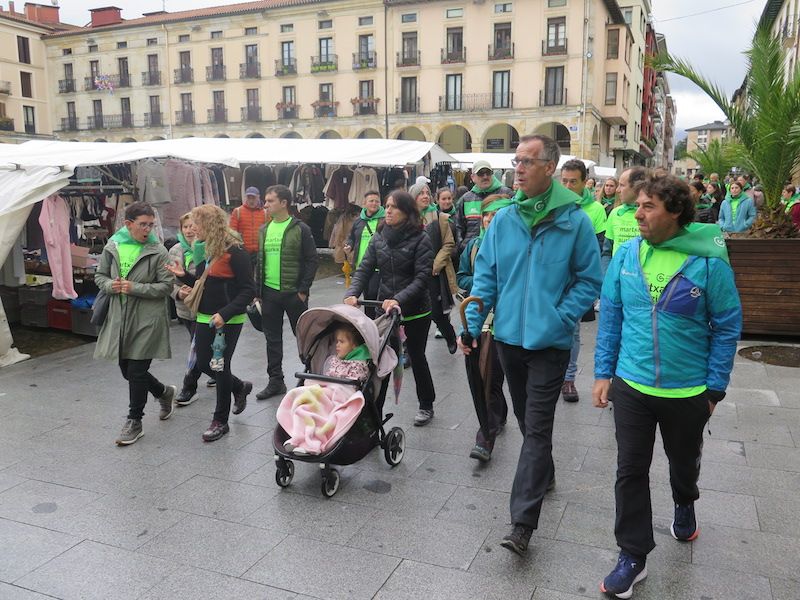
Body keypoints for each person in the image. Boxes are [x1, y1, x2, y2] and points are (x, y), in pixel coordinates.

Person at [593, 174, 742, 599]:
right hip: (632, 386)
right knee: (629, 471)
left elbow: (728, 325)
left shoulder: (707, 262)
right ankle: (632, 555)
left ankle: (684, 501)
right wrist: (604, 373)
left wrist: (714, 389)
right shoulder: (626, 255)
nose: (636, 213)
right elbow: (612, 321)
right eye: (637, 205)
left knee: (682, 464)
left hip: (687, 391)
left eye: (648, 207)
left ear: (674, 212)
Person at [460, 134, 602, 555]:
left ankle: (522, 524)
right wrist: (472, 324)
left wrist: (559, 316)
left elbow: (589, 281)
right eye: (515, 161)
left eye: (527, 161)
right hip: (507, 339)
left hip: (550, 343)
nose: (517, 168)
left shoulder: (575, 221)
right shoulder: (503, 219)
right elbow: (485, 277)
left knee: (537, 427)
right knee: (525, 420)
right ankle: (546, 471)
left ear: (549, 167)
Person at [344, 191, 436, 426]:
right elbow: (364, 268)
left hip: (415, 310)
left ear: (407, 211)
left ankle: (426, 404)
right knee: (382, 360)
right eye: (387, 206)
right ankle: (374, 411)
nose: (389, 210)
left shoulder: (421, 238)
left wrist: (399, 299)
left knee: (416, 356)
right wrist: (351, 293)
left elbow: (422, 277)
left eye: (394, 207)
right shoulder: (379, 237)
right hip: (386, 311)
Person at [166, 205, 256, 441]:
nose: (192, 228)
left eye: (196, 223)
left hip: (227, 319)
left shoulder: (235, 251)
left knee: (218, 366)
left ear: (209, 224)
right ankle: (238, 387)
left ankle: (220, 421)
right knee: (204, 363)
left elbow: (249, 290)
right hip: (205, 315)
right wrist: (183, 275)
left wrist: (225, 314)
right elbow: (205, 281)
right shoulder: (209, 248)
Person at [94, 201, 176, 446]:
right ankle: (163, 392)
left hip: (148, 319)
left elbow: (166, 286)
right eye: (142, 224)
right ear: (128, 224)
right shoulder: (113, 246)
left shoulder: (158, 250)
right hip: (119, 318)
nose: (147, 229)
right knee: (126, 371)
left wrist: (135, 288)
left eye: (151, 224)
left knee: (137, 371)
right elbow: (100, 276)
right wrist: (111, 285)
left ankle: (135, 421)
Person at [457, 194, 512, 462]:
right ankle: (485, 434)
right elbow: (462, 277)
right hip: (481, 316)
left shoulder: (516, 247)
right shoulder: (474, 245)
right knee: (485, 375)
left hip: (510, 322)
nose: (491, 219)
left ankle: (498, 416)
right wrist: (480, 284)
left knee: (495, 377)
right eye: (487, 214)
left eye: (497, 214)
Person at [254, 184, 319, 400]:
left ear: (284, 203)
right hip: (269, 293)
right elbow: (259, 262)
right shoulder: (264, 230)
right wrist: (258, 291)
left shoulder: (301, 228)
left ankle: (313, 378)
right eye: (266, 200)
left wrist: (302, 290)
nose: (266, 204)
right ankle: (276, 381)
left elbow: (312, 260)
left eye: (270, 200)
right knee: (272, 339)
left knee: (304, 337)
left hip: (294, 294)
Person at [279, 323, 371, 455]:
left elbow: (352, 386)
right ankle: (298, 438)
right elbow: (326, 379)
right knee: (303, 406)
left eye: (341, 342)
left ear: (354, 346)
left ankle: (312, 445)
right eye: (336, 342)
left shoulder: (359, 364)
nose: (337, 345)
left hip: (340, 396)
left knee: (320, 412)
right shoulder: (333, 360)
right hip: (326, 391)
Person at [560, 159, 607, 403]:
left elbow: (597, 247)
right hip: (553, 281)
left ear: (585, 182)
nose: (568, 186)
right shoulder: (553, 205)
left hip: (577, 282)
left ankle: (569, 379)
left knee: (573, 331)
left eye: (573, 182)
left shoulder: (594, 210)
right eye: (564, 181)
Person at [169, 212, 215, 405]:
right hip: (185, 309)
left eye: (192, 226)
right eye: (185, 227)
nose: (189, 230)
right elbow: (168, 280)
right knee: (198, 345)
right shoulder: (175, 251)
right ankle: (217, 371)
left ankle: (189, 387)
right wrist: (178, 293)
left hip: (205, 307)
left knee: (196, 348)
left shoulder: (208, 247)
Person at [410, 181, 458, 354]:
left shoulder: (440, 218)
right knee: (411, 314)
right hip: (412, 274)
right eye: (420, 193)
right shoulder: (407, 219)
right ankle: (409, 350)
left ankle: (450, 335)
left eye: (427, 193)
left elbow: (449, 244)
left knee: (437, 313)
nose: (425, 196)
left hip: (433, 273)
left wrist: (436, 264)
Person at [455, 159, 513, 252]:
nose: (485, 176)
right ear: (473, 177)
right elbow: (459, 227)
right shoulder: (466, 199)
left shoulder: (507, 195)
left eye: (488, 173)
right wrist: (463, 247)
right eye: (481, 173)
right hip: (472, 253)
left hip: (500, 251)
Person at [344, 190, 385, 318]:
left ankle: (377, 321)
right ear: (364, 203)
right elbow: (352, 237)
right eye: (371, 201)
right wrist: (349, 245)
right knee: (366, 295)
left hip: (378, 266)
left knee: (373, 295)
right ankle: (369, 322)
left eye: (377, 201)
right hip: (361, 265)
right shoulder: (359, 221)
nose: (374, 204)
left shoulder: (384, 220)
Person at [602, 167, 649, 269]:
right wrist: (608, 275)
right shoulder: (615, 213)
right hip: (617, 278)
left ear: (637, 188)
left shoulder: (652, 215)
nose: (617, 190)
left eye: (622, 185)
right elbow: (607, 251)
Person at [229, 186, 268, 269]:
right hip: (243, 251)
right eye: (249, 197)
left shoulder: (265, 213)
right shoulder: (238, 211)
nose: (251, 200)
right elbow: (231, 231)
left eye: (253, 198)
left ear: (258, 197)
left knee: (259, 276)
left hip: (260, 251)